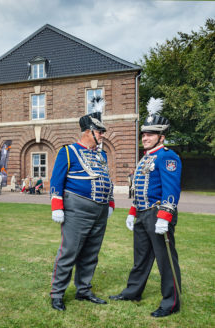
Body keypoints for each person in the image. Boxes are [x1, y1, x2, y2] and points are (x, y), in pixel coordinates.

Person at [109, 98, 182, 318]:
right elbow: (139, 190)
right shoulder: (144, 159)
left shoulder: (167, 156)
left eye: (150, 134)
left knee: (165, 260)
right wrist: (133, 212)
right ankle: (133, 292)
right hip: (142, 214)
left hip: (158, 215)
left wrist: (165, 216)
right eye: (144, 134)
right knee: (140, 258)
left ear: (162, 136)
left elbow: (171, 189)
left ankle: (171, 302)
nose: (145, 138)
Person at [49, 108, 115, 312]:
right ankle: (57, 293)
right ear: (88, 131)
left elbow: (105, 179)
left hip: (100, 209)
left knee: (91, 253)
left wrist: (110, 203)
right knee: (69, 252)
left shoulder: (101, 155)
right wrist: (57, 206)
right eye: (100, 131)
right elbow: (56, 181)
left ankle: (84, 289)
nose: (102, 135)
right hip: (77, 208)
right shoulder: (68, 151)